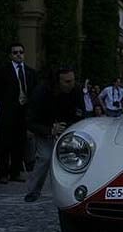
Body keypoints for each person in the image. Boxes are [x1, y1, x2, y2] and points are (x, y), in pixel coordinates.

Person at [24, 68, 84, 202]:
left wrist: (67, 126)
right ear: (58, 82)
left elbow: (81, 113)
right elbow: (30, 120)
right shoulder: (41, 92)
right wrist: (50, 129)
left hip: (69, 128)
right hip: (45, 128)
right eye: (67, 81)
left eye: (73, 80)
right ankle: (33, 191)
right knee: (45, 158)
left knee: (75, 159)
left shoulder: (76, 90)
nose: (71, 84)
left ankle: (74, 191)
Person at [0, 42, 37, 184]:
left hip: (23, 112)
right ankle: (3, 173)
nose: (18, 54)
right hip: (8, 112)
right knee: (5, 144)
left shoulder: (30, 72)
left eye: (21, 52)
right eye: (15, 52)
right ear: (10, 55)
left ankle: (15, 172)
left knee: (20, 144)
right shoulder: (2, 71)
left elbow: (33, 92)